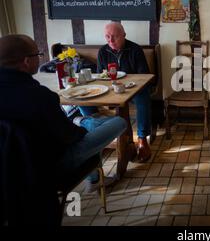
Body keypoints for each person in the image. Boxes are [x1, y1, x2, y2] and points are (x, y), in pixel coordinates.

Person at [0, 35, 127, 224]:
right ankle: (83, 122)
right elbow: (69, 137)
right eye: (38, 54)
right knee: (118, 123)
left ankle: (83, 122)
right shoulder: (39, 97)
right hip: (48, 167)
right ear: (27, 61)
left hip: (8, 174)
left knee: (88, 126)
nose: (40, 58)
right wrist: (82, 131)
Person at [79, 22, 152, 162]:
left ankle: (142, 140)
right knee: (83, 101)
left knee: (143, 97)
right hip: (110, 89)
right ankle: (99, 133)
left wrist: (128, 84)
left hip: (133, 89)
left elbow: (144, 75)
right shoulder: (103, 51)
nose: (110, 41)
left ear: (124, 35)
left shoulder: (135, 49)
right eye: (107, 37)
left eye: (115, 37)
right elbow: (101, 76)